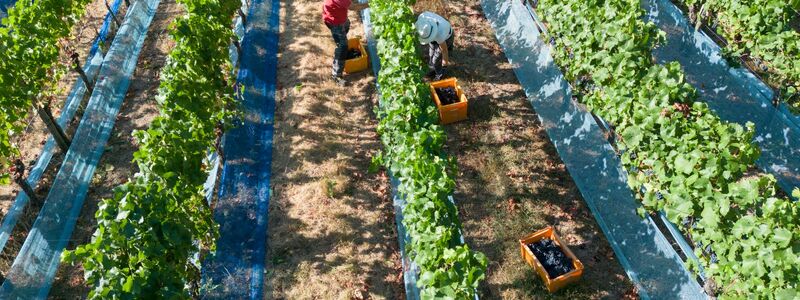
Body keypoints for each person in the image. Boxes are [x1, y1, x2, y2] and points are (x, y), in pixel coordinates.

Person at [323, 0, 369, 86]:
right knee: (343, 46)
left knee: (346, 24)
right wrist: (370, 4)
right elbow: (353, 7)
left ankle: (340, 42)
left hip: (339, 16)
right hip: (334, 22)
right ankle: (336, 75)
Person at [415, 11, 454, 81]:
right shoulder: (423, 19)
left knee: (436, 59)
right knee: (431, 52)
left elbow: (444, 51)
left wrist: (444, 67)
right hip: (436, 32)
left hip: (447, 37)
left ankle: (438, 73)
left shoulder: (440, 34)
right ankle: (432, 67)